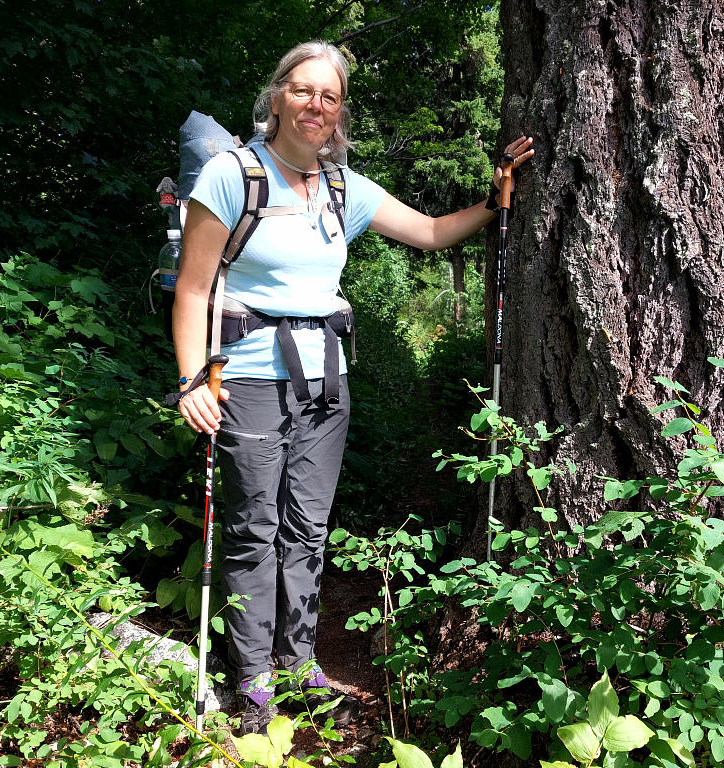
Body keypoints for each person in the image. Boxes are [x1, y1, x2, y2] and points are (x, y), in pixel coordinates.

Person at [173, 39, 533, 736]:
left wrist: (494, 197)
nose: (316, 105)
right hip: (243, 376)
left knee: (308, 529)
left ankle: (298, 660)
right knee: (254, 529)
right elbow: (192, 290)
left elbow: (431, 232)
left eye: (329, 96)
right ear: (276, 96)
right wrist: (193, 378)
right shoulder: (232, 174)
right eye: (303, 90)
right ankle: (251, 680)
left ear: (340, 114)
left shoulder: (345, 187)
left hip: (326, 381)